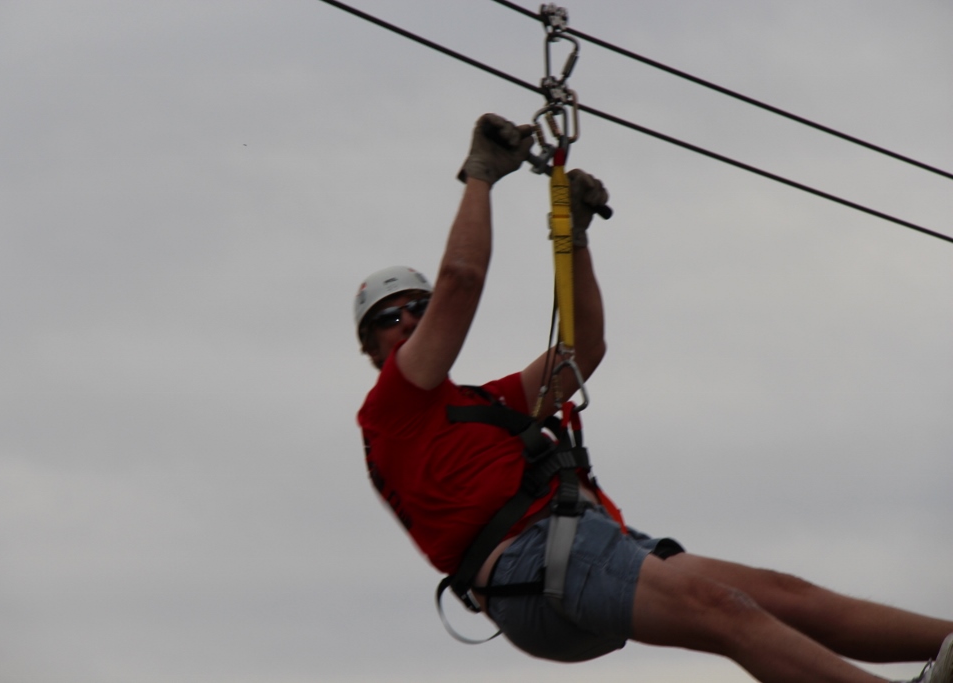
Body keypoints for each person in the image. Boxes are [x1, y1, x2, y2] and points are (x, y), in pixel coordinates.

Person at [354, 113, 953, 682]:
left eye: (417, 306)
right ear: (373, 348)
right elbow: (461, 281)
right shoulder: (391, 411)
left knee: (783, 597)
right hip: (534, 565)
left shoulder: (481, 404)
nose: (408, 319)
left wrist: (577, 240)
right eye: (390, 317)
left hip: (579, 546)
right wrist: (480, 176)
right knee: (726, 611)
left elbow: (582, 351)